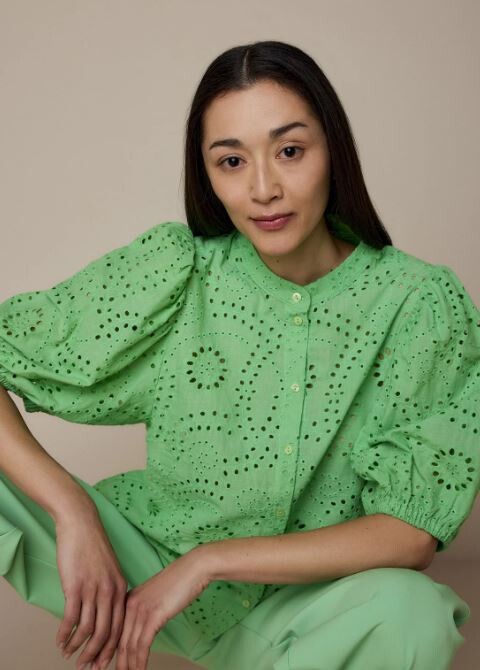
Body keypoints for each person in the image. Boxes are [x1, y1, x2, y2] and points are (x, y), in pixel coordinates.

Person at [0, 39, 478, 670]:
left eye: (289, 151)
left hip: (313, 607)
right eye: (231, 161)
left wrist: (210, 562)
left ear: (333, 149)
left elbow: (410, 534)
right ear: (207, 174)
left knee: (413, 611)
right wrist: (74, 512)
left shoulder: (418, 303)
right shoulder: (178, 272)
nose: (263, 189)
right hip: (137, 567)